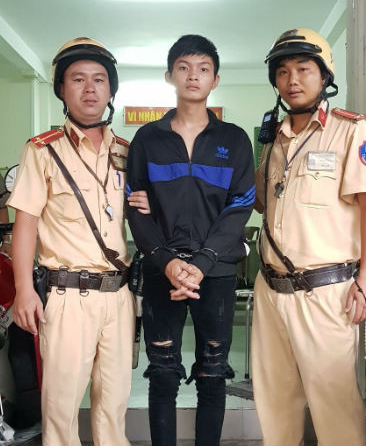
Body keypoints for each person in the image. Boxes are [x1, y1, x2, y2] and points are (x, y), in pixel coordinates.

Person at [8, 37, 148, 446]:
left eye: (99, 79)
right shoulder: (42, 151)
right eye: (78, 79)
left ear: (110, 90)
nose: (90, 88)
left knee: (114, 404)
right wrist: (23, 291)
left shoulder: (127, 153)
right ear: (62, 90)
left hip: (119, 296)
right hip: (68, 296)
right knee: (62, 406)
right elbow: (26, 225)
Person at [251, 28, 366, 446]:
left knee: (334, 403)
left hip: (324, 292)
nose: (292, 80)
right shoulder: (273, 137)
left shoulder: (350, 131)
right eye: (283, 72)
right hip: (270, 289)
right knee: (274, 402)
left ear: (324, 75)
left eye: (303, 69)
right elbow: (260, 201)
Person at [126, 34, 255, 446]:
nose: (193, 76)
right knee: (163, 373)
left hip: (214, 273)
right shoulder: (148, 139)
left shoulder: (234, 140)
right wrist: (166, 261)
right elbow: (135, 207)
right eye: (183, 68)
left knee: (212, 373)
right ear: (170, 76)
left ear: (215, 79)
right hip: (160, 270)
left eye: (202, 69)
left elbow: (241, 205)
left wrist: (201, 262)